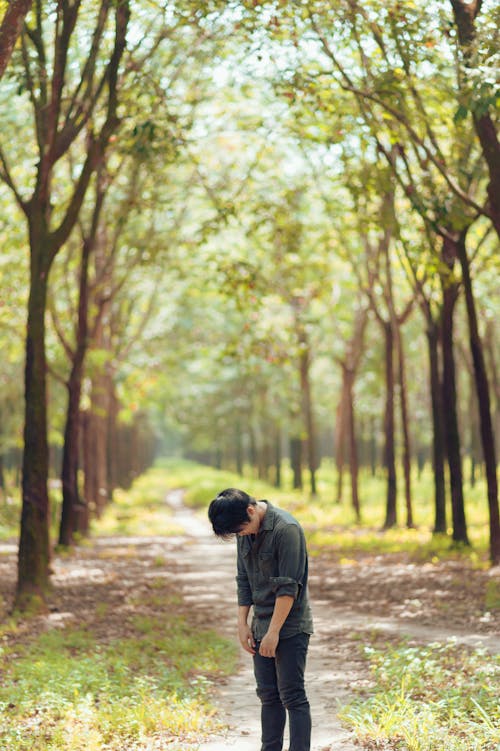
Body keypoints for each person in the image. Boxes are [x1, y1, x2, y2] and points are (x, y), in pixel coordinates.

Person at [208, 487, 313, 751]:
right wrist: (242, 624)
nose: (239, 535)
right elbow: (243, 579)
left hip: (289, 625)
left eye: (239, 529)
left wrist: (274, 631)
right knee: (268, 695)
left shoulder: (286, 529)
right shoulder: (244, 530)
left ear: (251, 511)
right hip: (260, 625)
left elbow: (289, 587)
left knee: (292, 696)